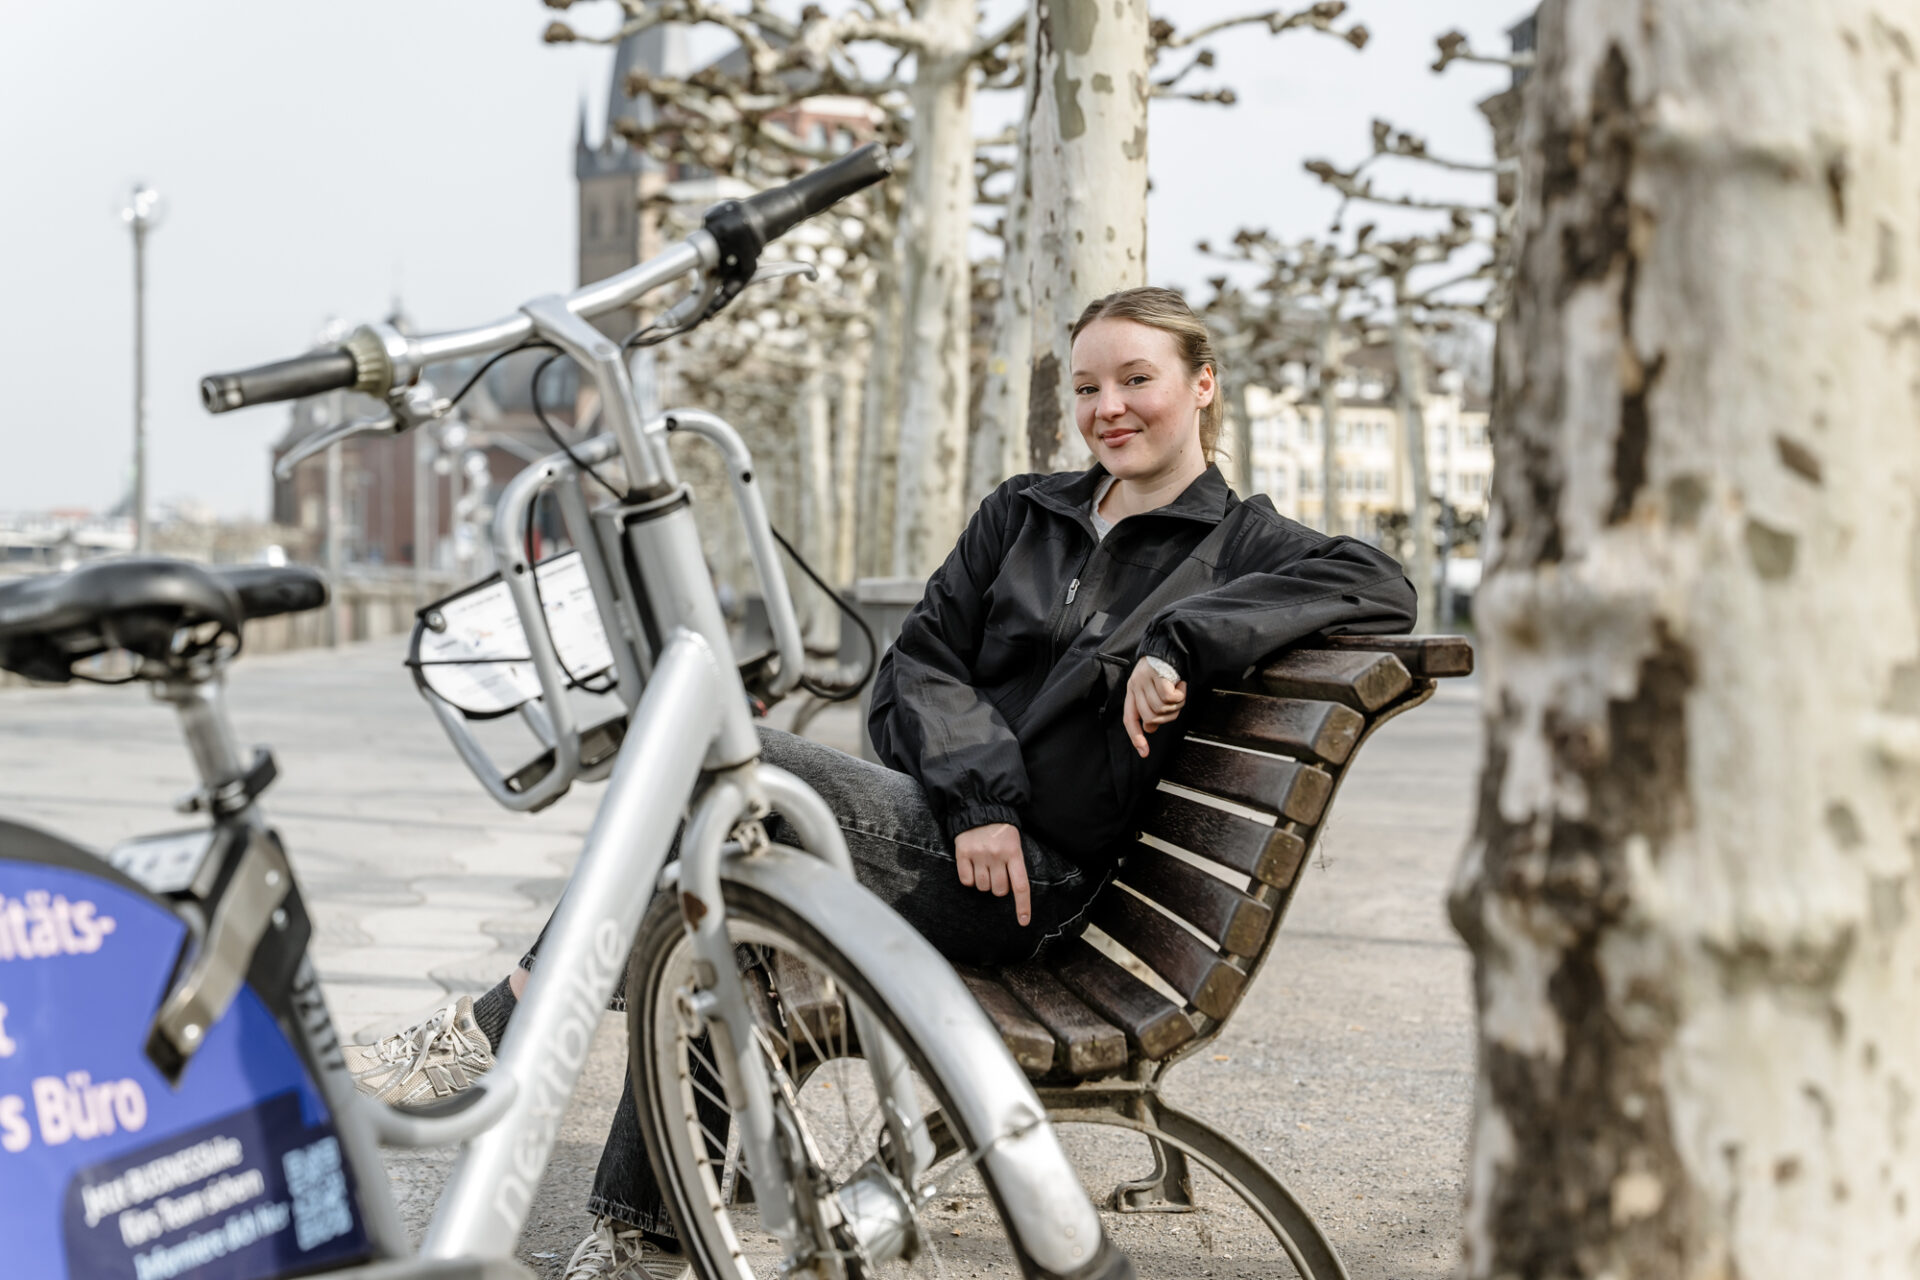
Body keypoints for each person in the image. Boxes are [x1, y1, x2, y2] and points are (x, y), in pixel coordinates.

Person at [345, 285, 1417, 1279]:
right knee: (710, 873)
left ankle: (502, 1024)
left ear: (1201, 384)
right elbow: (918, 663)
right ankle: (639, 1236)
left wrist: (1183, 638)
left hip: (1033, 892)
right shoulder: (1026, 513)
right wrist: (978, 799)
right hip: (953, 831)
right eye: (1087, 386)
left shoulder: (1241, 544)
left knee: (720, 756)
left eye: (1136, 378)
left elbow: (1380, 578)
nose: (1109, 407)